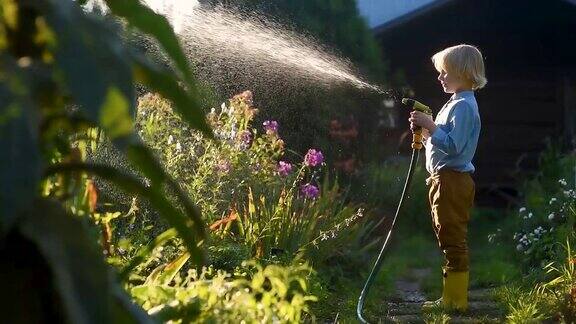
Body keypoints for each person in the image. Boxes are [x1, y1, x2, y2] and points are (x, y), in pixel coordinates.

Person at [408, 44, 487, 312]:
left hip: (452, 180)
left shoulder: (464, 106)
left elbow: (454, 146)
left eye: (445, 72)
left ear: (463, 73)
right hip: (442, 179)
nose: (440, 77)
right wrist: (428, 129)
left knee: (452, 237)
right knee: (446, 234)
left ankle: (456, 301)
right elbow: (443, 140)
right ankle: (450, 298)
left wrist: (430, 126)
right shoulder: (455, 103)